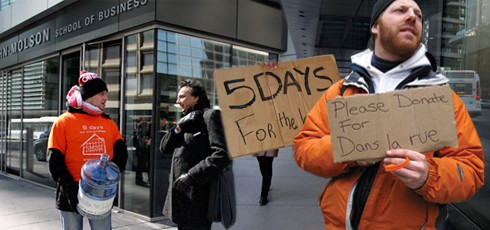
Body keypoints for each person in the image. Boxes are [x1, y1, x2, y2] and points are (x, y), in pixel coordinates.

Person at [293, 0, 485, 229]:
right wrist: (347, 150)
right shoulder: (342, 91)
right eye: (400, 10)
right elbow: (304, 148)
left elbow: (472, 171)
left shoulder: (443, 99)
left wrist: (429, 175)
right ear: (375, 26)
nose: (412, 17)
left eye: (418, 15)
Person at [48, 70, 128, 230]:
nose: (106, 98)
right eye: (102, 93)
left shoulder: (108, 122)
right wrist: (70, 187)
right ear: (89, 95)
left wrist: (108, 180)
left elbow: (121, 154)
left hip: (100, 192)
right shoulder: (63, 121)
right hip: (70, 190)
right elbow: (54, 160)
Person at [160, 79, 232, 230]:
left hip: (198, 196)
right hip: (181, 195)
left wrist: (192, 176)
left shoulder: (210, 116)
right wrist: (178, 128)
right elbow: (164, 147)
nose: (178, 101)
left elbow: (222, 154)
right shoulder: (185, 120)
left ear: (196, 98)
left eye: (182, 96)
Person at [135, 119, 151, 187]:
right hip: (142, 150)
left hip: (139, 150)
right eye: (147, 127)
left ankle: (138, 180)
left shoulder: (138, 132)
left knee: (140, 165)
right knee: (141, 165)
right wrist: (148, 142)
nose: (148, 128)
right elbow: (143, 142)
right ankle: (139, 180)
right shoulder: (142, 132)